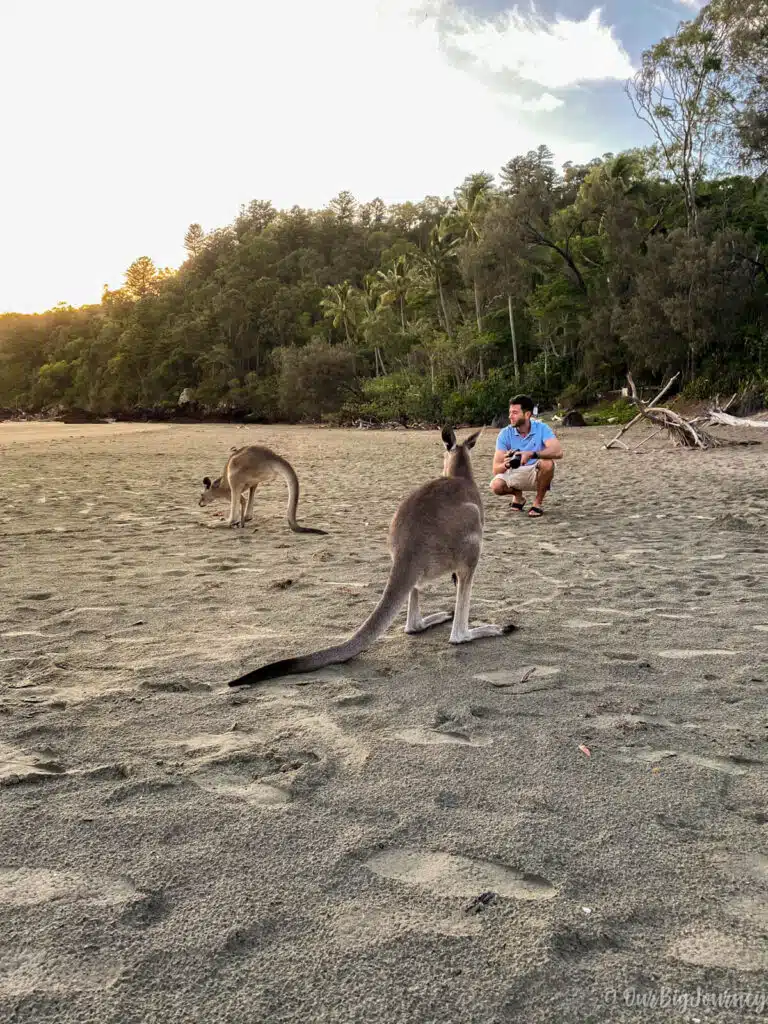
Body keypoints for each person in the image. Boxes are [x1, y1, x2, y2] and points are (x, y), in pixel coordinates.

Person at [490, 394, 563, 517]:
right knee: (496, 486)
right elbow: (496, 469)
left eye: (514, 413)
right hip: (515, 471)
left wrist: (531, 454)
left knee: (548, 463)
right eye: (510, 412)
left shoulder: (541, 428)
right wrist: (508, 463)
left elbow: (558, 452)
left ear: (527, 414)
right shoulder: (505, 434)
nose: (510, 417)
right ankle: (518, 497)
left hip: (535, 472)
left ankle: (537, 503)